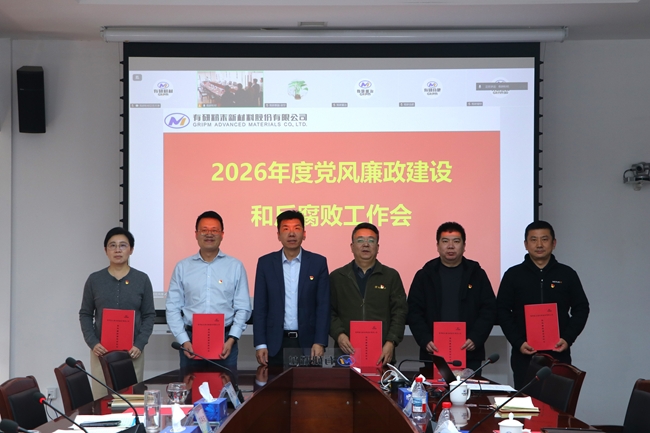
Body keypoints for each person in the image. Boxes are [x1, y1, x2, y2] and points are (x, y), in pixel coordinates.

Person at [497, 220, 590, 389]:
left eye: (544, 239)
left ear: (554, 243)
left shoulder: (567, 274)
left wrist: (568, 338)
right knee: (525, 402)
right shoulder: (513, 275)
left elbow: (581, 308)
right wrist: (518, 342)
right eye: (533, 240)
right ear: (526, 245)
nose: (539, 244)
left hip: (558, 354)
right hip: (524, 355)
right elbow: (502, 310)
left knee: (557, 401)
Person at [166, 211, 252, 370]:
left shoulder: (235, 266)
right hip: (190, 341)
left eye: (214, 230)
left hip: (225, 341)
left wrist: (232, 338)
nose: (209, 234)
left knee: (225, 384)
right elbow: (172, 307)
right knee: (191, 384)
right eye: (204, 230)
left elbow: (243, 307)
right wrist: (184, 340)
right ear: (196, 234)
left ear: (222, 234)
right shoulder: (183, 267)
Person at [407, 222, 496, 371]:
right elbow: (414, 311)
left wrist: (475, 338)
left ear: (464, 245)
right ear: (437, 246)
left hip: (469, 351)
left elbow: (489, 309)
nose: (450, 246)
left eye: (456, 241)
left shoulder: (477, 274)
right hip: (434, 351)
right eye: (445, 241)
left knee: (469, 387)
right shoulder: (424, 275)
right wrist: (425, 339)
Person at [79, 227, 155, 398]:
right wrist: (93, 343)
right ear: (105, 250)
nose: (117, 250)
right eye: (112, 245)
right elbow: (85, 314)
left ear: (131, 249)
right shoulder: (94, 280)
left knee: (131, 401)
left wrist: (140, 344)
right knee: (101, 401)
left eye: (123, 245)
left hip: (132, 352)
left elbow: (149, 315)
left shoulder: (142, 279)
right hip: (102, 352)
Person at [253, 210, 330, 366]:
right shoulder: (266, 263)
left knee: (308, 383)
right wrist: (260, 344)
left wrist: (320, 341)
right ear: (278, 235)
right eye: (286, 228)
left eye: (296, 228)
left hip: (308, 344)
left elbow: (323, 306)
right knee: (274, 382)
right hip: (275, 344)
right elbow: (260, 307)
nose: (292, 233)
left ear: (304, 233)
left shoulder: (318, 263)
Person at [329, 223, 407, 365]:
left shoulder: (390, 276)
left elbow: (400, 312)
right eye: (360, 240)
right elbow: (328, 311)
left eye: (371, 240)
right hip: (345, 353)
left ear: (378, 247)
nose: (366, 245)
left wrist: (391, 342)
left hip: (382, 353)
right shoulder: (337, 277)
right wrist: (339, 334)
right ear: (352, 247)